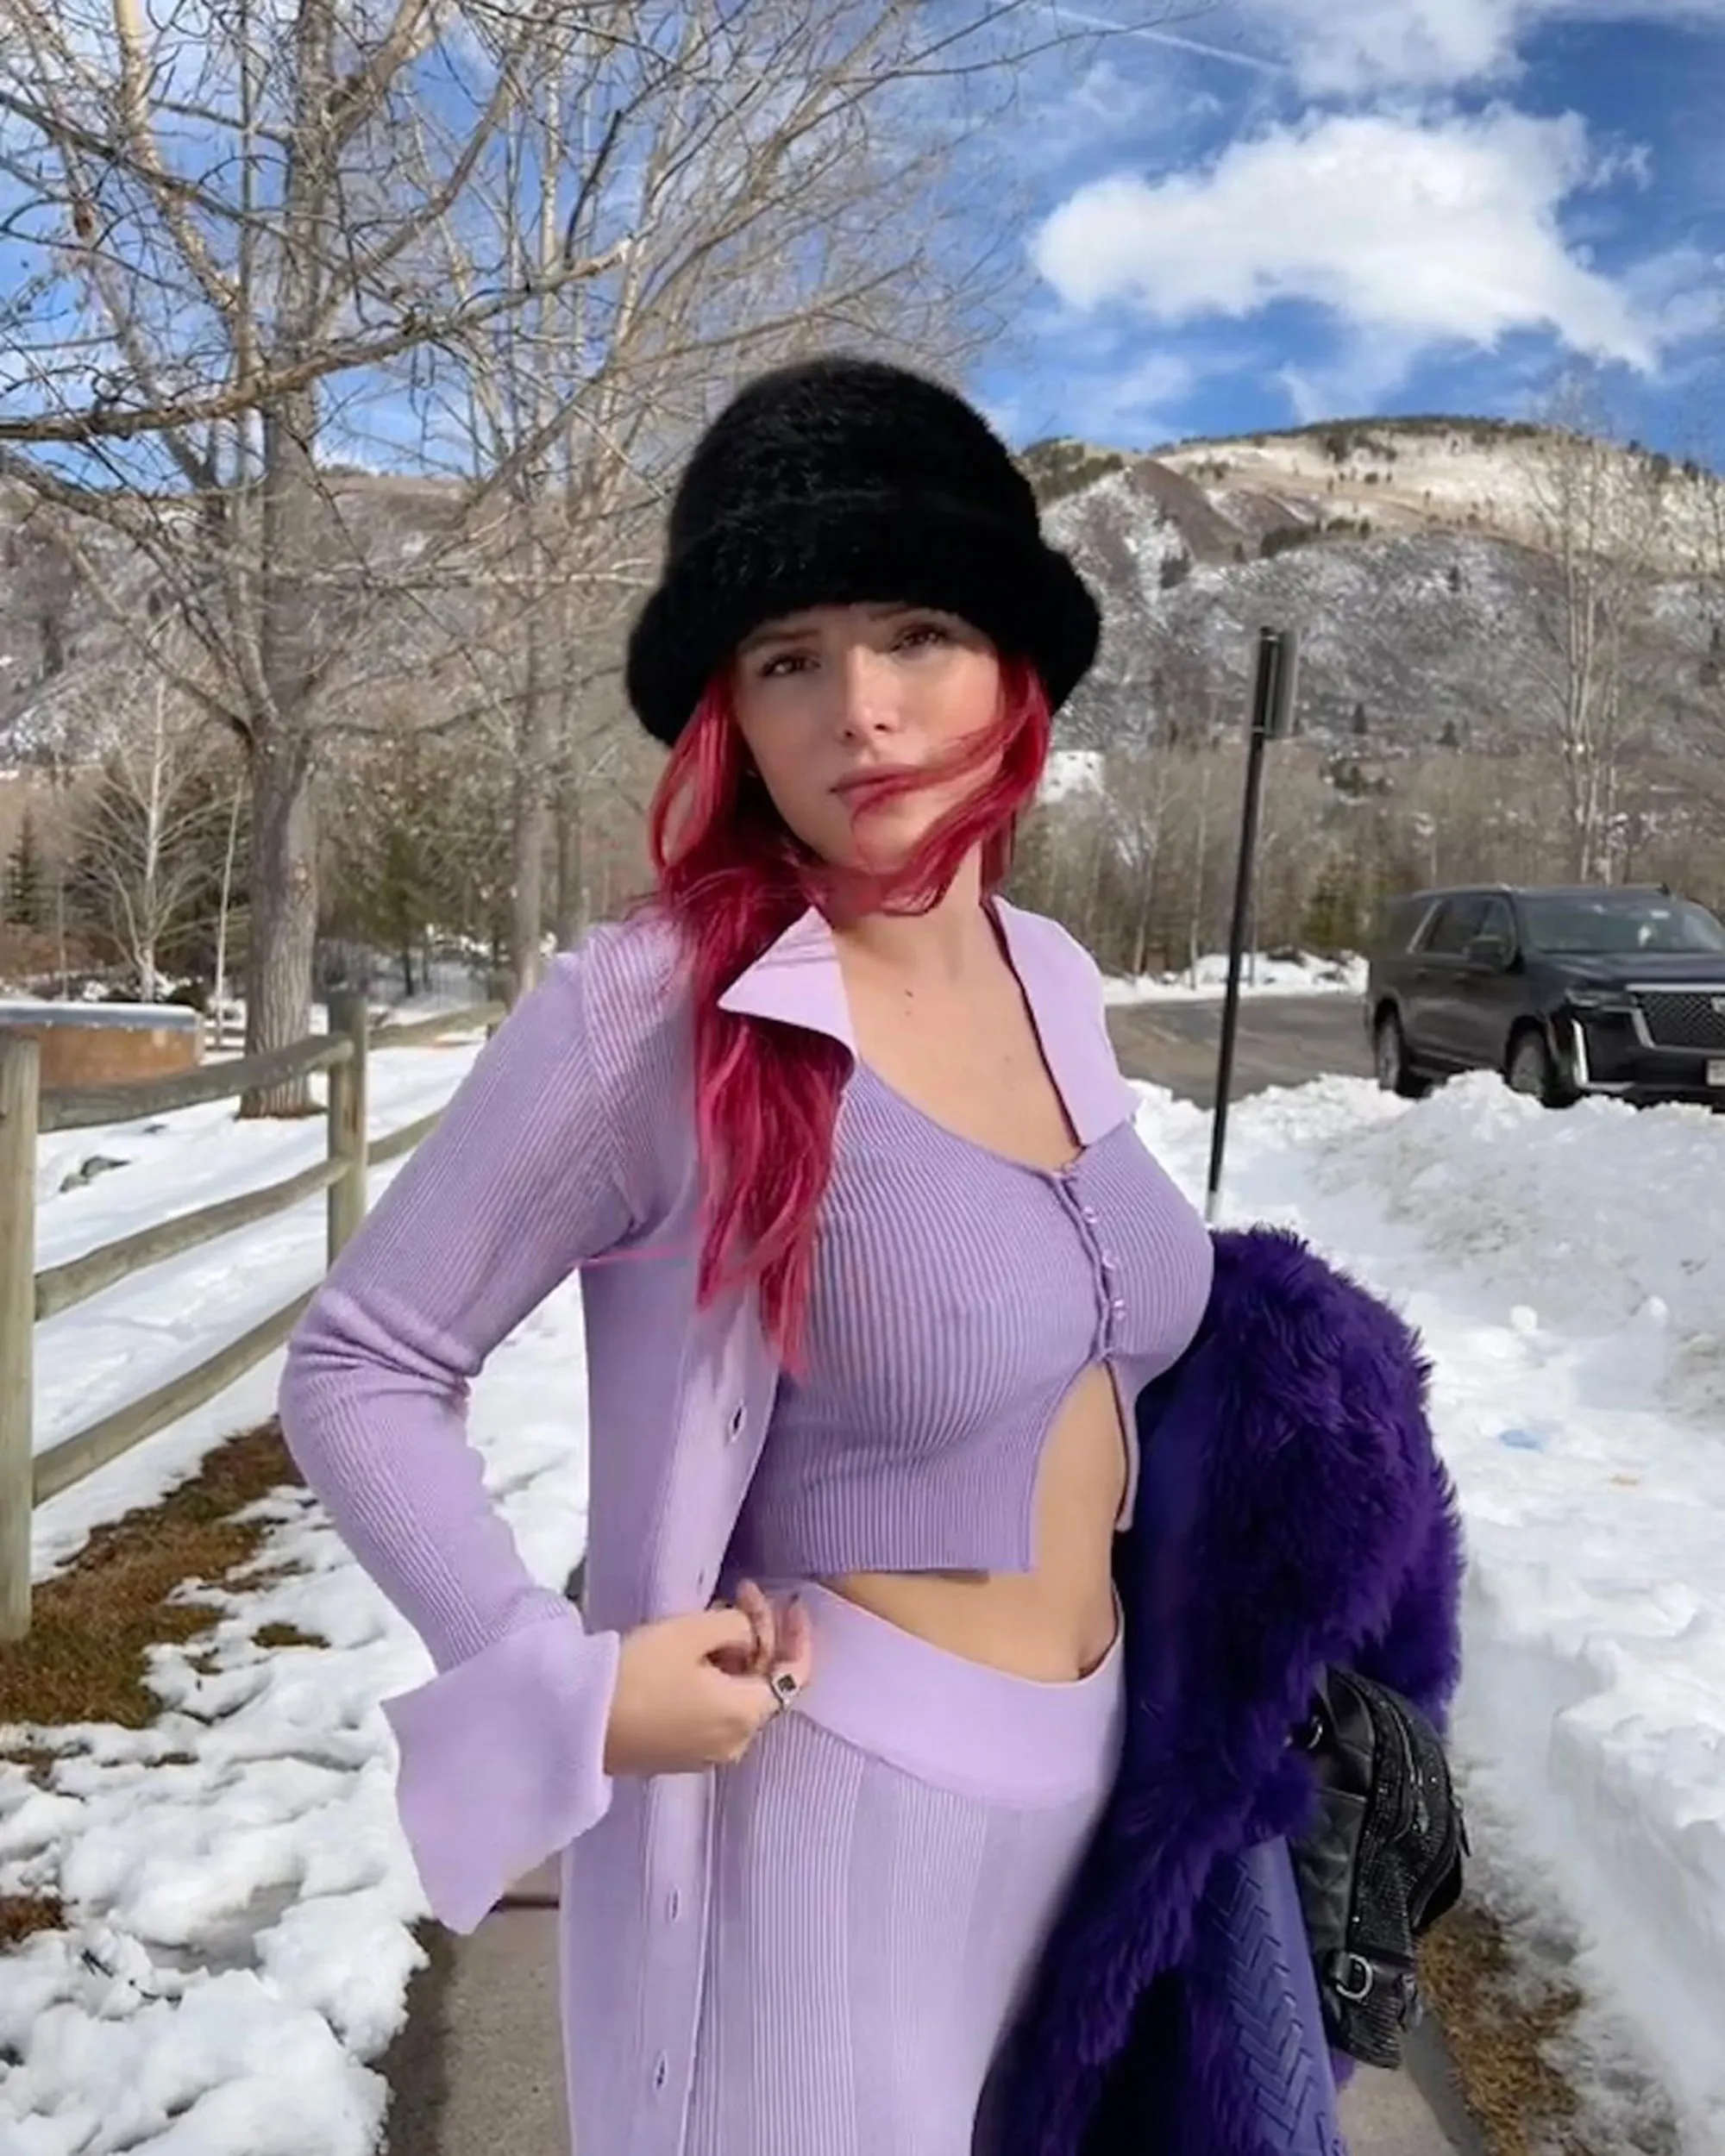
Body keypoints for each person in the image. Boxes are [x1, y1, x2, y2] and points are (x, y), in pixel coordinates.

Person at [279, 355, 1464, 2156]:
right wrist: (560, 1679)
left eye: (917, 632)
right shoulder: (654, 1011)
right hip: (833, 1822)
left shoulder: (1050, 974)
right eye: (789, 659)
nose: (861, 709)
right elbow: (365, 1360)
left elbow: (1083, 1314)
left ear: (1014, 667)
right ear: (732, 717)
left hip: (1109, 1801)